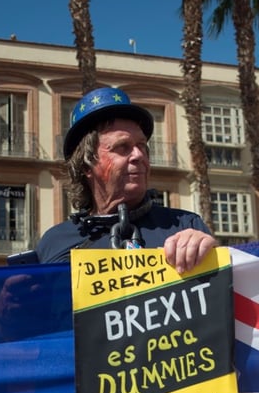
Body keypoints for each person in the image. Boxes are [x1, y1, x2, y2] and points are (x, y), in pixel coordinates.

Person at [35, 87, 217, 273]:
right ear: (85, 165)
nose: (139, 155)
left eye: (142, 146)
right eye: (122, 147)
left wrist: (213, 255)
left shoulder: (185, 226)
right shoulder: (53, 244)